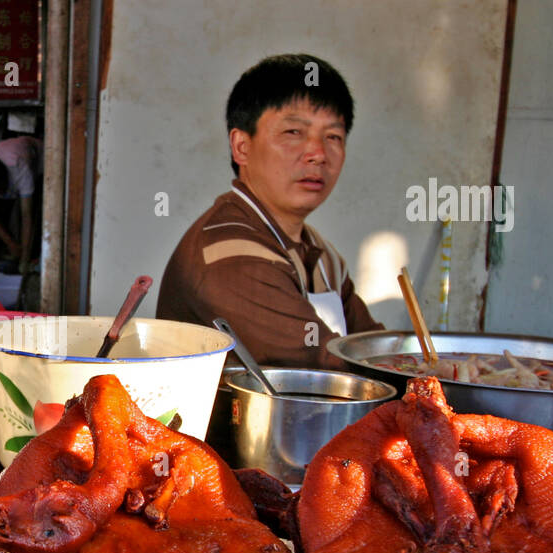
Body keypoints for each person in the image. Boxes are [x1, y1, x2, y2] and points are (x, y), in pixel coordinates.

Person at [156, 53, 383, 369]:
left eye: (333, 136)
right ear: (242, 147)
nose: (318, 153)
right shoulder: (230, 252)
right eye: (293, 132)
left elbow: (369, 347)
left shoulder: (321, 254)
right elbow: (330, 364)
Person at [0, 135, 42, 274]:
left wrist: (24, 259)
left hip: (40, 163)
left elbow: (26, 215)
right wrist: (10, 242)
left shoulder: (21, 168)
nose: (0, 193)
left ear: (6, 178)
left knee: (36, 214)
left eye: (1, 189)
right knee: (0, 215)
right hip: (12, 154)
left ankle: (30, 257)